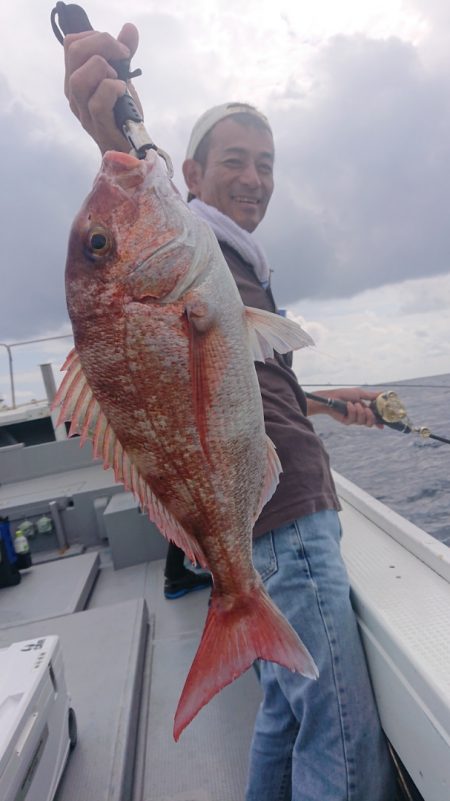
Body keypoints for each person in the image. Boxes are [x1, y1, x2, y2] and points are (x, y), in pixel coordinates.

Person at [63, 25, 397, 801]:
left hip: (252, 532)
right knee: (338, 737)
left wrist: (327, 403)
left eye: (266, 163)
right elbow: (128, 181)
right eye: (235, 161)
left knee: (282, 716)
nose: (254, 178)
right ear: (190, 174)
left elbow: (231, 384)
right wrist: (111, 124)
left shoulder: (230, 266)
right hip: (283, 526)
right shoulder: (192, 254)